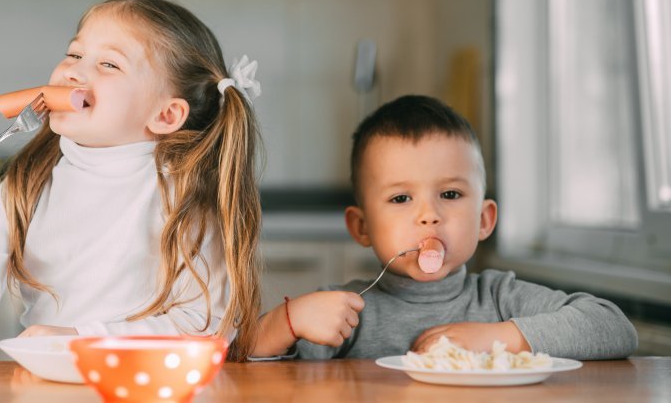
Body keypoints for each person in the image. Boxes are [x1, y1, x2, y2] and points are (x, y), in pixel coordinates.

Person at [0, 0, 263, 361]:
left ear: (166, 115)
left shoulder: (185, 198)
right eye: (75, 54)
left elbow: (205, 326)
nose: (72, 72)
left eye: (109, 64)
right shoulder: (26, 183)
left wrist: (83, 339)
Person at [251, 94, 638, 360]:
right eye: (401, 198)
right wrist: (288, 320)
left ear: (484, 220)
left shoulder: (499, 299)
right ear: (362, 227)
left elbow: (614, 327)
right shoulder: (347, 312)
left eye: (450, 194)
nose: (429, 215)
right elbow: (249, 362)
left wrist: (499, 338)